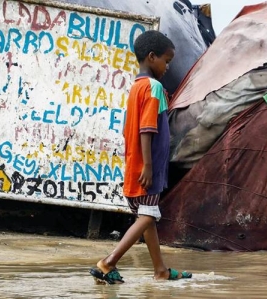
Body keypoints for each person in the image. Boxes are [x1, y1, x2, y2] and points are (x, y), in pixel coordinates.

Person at [89, 30, 191, 283]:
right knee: (149, 215)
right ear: (152, 57)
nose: (168, 67)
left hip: (136, 164)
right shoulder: (154, 87)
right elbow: (147, 128)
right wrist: (148, 165)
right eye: (166, 61)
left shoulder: (136, 87)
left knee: (147, 218)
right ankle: (108, 262)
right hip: (148, 167)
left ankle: (161, 271)